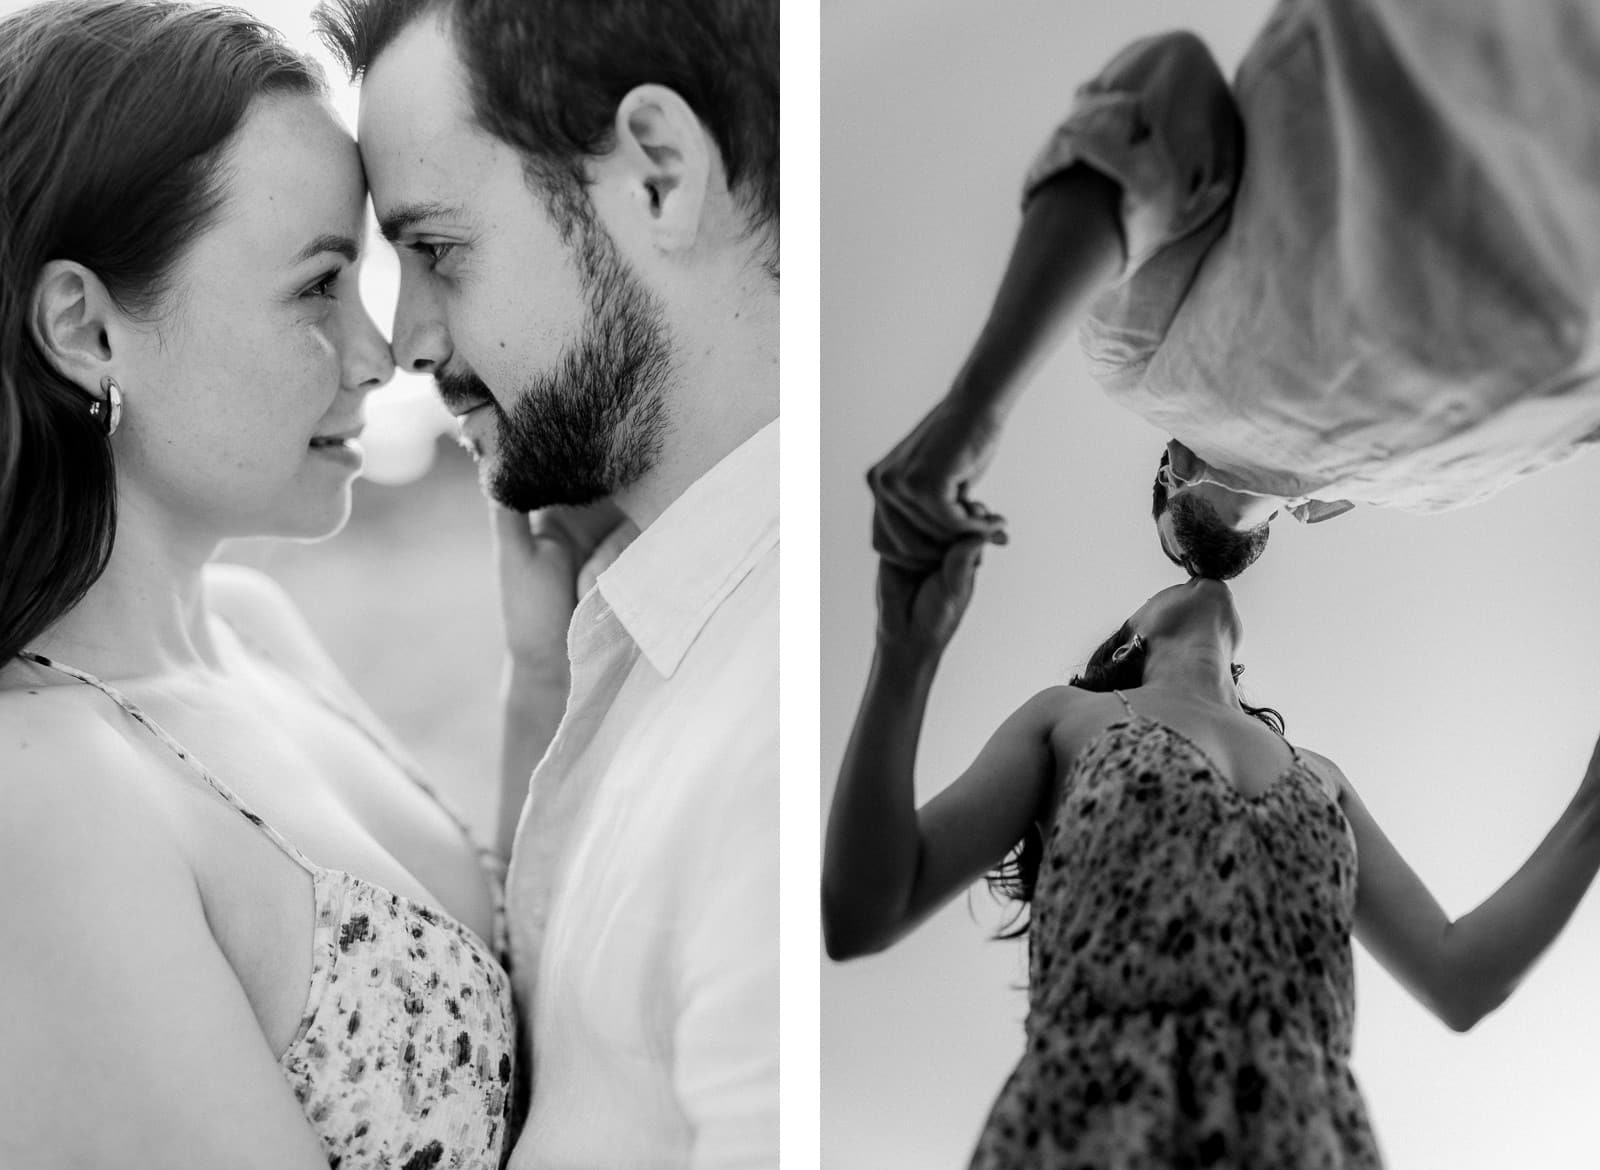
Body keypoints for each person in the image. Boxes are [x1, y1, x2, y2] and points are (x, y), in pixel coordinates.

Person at [0, 3, 524, 1167]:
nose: (380, 353)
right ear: (86, 328)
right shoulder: (40, 794)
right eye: (316, 288)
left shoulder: (254, 629)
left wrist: (543, 676)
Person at [312, 0, 779, 1163]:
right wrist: (541, 680)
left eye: (437, 250)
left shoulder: (770, 724)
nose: (408, 341)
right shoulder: (653, 613)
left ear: (659, 177)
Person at [823, 537, 1600, 1166]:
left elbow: (1459, 976)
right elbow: (864, 910)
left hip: (1302, 1136)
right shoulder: (1071, 717)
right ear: (1131, 636)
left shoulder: (1321, 778)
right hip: (1094, 1121)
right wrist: (905, 651)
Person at [869, 1, 1600, 580]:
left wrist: (976, 402)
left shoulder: (1144, 376)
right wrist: (976, 406)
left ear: (1178, 465)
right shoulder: (1436, 492)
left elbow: (1149, 117)